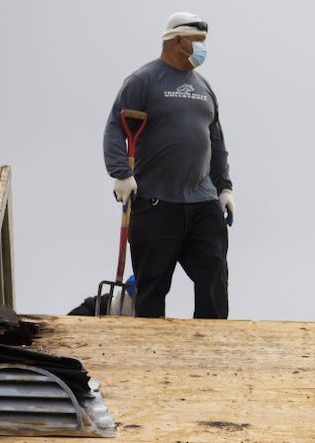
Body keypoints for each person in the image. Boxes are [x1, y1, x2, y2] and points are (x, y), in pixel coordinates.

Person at [103, 11, 235, 319]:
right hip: (156, 204)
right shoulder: (143, 81)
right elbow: (114, 127)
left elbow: (215, 141)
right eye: (197, 41)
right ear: (176, 41)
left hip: (203, 202)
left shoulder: (204, 88)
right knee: (153, 288)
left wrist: (224, 187)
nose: (203, 47)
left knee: (214, 275)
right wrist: (120, 173)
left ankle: (211, 346)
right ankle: (151, 356)